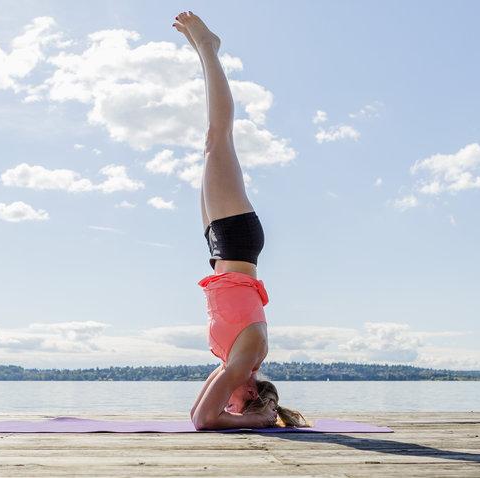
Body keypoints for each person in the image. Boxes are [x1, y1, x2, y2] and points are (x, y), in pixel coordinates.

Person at [173, 11, 308, 430]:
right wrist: (258, 422)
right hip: (237, 242)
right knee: (218, 138)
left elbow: (199, 414)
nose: (227, 405)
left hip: (222, 249)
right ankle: (210, 50)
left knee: (211, 143)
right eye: (236, 405)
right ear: (248, 394)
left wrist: (254, 418)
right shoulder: (245, 363)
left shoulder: (236, 367)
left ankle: (206, 52)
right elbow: (204, 421)